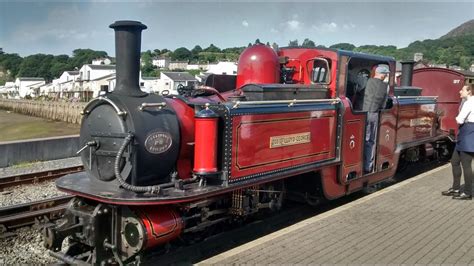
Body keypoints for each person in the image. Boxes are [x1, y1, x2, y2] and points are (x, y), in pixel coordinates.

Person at [442, 84, 474, 200]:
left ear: (469, 91)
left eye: (462, 90)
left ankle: (467, 192)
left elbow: (459, 119)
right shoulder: (468, 101)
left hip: (468, 134)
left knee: (466, 165)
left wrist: (457, 117)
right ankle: (456, 188)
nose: (460, 92)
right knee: (455, 161)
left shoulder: (469, 103)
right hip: (466, 134)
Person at [362, 65, 390, 173]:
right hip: (374, 114)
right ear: (382, 75)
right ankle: (368, 166)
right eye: (385, 74)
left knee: (364, 138)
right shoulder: (385, 86)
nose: (385, 76)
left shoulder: (367, 81)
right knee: (371, 141)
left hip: (363, 113)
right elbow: (383, 105)